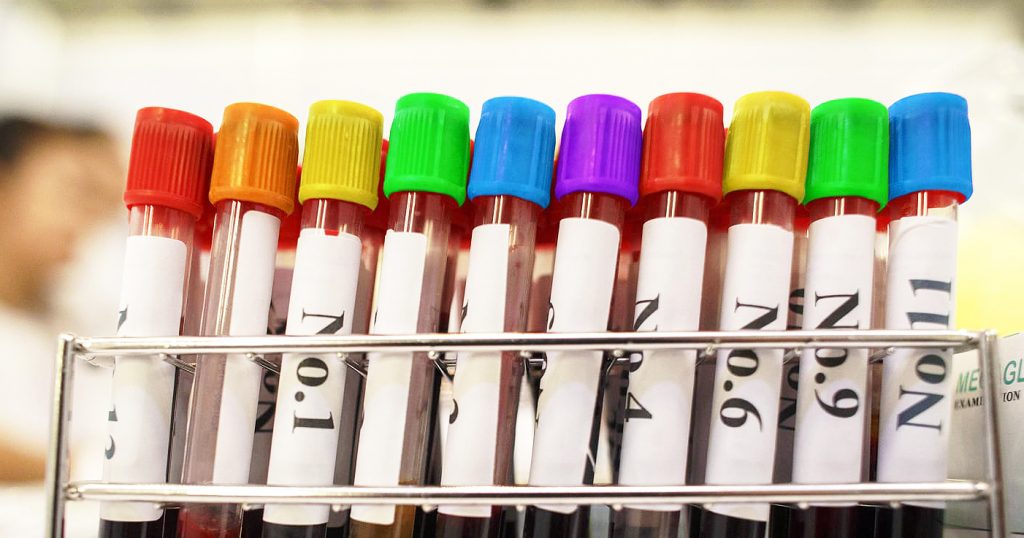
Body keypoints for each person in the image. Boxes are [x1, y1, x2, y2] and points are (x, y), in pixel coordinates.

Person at [0, 116, 121, 482]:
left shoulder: (73, 315)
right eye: (78, 192)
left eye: (108, 204)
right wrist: (79, 468)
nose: (93, 220)